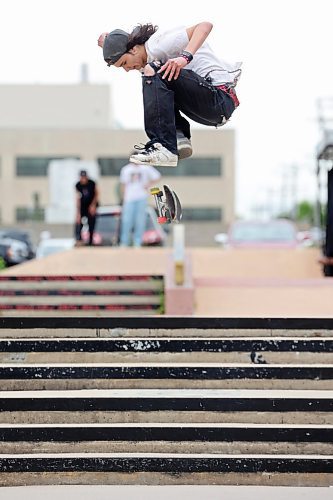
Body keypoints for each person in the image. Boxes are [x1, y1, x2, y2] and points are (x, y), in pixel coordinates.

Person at [97, 22, 242, 168]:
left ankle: (164, 145)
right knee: (155, 81)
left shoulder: (157, 44)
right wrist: (108, 44)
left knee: (155, 72)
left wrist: (184, 58)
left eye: (124, 63)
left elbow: (205, 26)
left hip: (219, 99)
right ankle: (179, 136)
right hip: (207, 109)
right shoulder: (145, 60)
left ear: (134, 49)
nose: (127, 69)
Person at [119, 159, 161, 247]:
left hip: (141, 197)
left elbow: (157, 176)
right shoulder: (126, 169)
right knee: (127, 220)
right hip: (129, 198)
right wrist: (123, 198)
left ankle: (137, 241)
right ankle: (124, 241)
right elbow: (123, 184)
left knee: (140, 220)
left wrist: (148, 184)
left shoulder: (145, 167)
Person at [75, 170, 99, 246]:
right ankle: (79, 239)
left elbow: (97, 194)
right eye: (82, 177)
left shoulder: (92, 183)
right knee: (78, 223)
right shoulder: (78, 185)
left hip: (91, 205)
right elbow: (77, 198)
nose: (83, 179)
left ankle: (91, 241)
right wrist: (78, 213)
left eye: (84, 177)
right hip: (83, 206)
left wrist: (93, 205)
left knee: (91, 222)